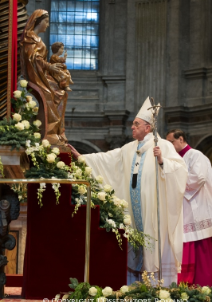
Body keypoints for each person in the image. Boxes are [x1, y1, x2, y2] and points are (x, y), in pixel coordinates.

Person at [69, 97, 188, 286]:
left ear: (147, 128)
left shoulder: (162, 145)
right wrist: (83, 158)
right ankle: (135, 286)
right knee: (135, 245)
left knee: (153, 242)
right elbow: (107, 159)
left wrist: (162, 161)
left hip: (154, 210)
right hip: (133, 210)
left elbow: (181, 170)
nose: (132, 127)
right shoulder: (128, 149)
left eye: (136, 124)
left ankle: (159, 287)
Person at [166, 129, 212, 286]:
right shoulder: (176, 159)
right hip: (184, 209)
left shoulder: (195, 155)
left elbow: (199, 178)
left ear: (181, 139)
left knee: (200, 249)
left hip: (197, 209)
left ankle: (203, 285)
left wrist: (176, 185)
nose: (170, 146)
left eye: (171, 142)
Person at [20, 10, 68, 146]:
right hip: (35, 75)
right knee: (49, 95)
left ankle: (58, 131)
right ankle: (49, 134)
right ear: (38, 21)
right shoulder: (30, 37)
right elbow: (34, 58)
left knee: (61, 93)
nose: (47, 24)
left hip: (42, 73)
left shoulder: (37, 38)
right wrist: (49, 67)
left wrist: (50, 68)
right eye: (46, 21)